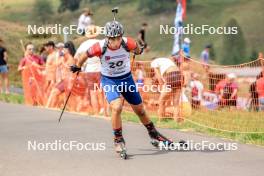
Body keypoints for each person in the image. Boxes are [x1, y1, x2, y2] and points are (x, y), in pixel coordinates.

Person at [72, 20, 175, 154]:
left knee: (140, 111)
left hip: (126, 79)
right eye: (113, 38)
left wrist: (139, 50)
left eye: (118, 37)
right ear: (108, 37)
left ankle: (154, 133)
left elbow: (137, 49)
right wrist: (78, 66)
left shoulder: (128, 42)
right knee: (117, 106)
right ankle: (118, 139)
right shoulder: (99, 46)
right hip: (109, 80)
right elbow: (84, 55)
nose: (116, 41)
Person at [74, 25, 106, 116]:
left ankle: (96, 112)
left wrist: (78, 66)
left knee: (92, 92)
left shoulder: (83, 44)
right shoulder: (101, 42)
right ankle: (105, 113)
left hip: (89, 70)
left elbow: (76, 57)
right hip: (101, 69)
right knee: (102, 91)